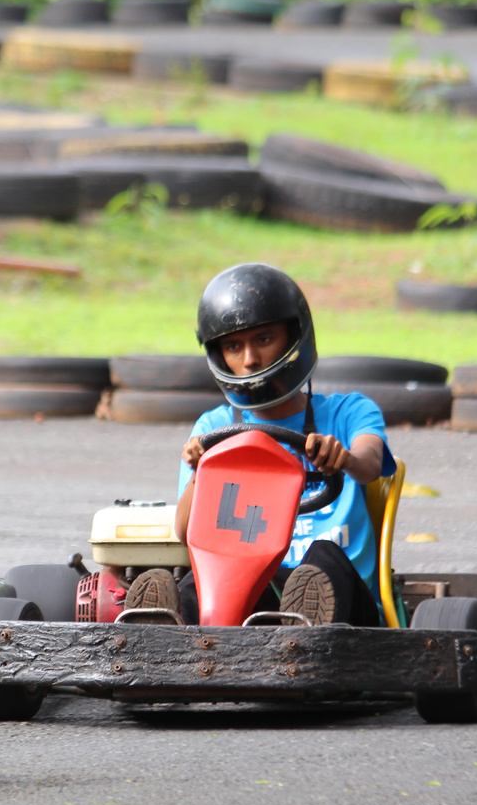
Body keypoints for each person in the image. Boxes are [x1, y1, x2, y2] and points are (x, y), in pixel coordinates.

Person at [124, 263, 395, 626]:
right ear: (220, 356)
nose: (250, 360)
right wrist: (199, 472)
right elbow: (186, 532)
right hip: (255, 594)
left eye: (264, 340)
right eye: (234, 347)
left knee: (322, 558)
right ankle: (166, 640)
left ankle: (303, 631)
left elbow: (370, 461)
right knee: (199, 584)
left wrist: (343, 458)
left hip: (344, 606)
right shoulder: (214, 428)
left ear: (294, 336)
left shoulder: (349, 413)